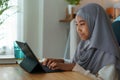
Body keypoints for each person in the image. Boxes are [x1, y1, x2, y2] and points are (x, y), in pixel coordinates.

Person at [41, 3, 120, 80]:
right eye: (76, 24)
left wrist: (73, 67)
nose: (78, 29)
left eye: (82, 24)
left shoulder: (110, 55)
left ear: (95, 24)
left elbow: (77, 67)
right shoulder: (85, 44)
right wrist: (60, 62)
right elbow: (77, 64)